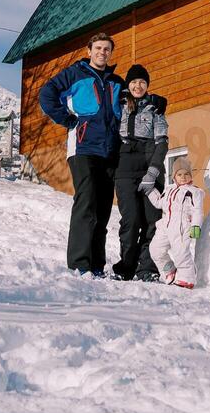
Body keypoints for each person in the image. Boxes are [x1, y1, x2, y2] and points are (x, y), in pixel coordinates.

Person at [38, 33, 123, 275]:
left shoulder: (116, 81)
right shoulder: (74, 74)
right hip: (83, 147)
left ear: (110, 52)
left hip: (110, 150)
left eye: (106, 49)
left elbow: (133, 101)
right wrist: (67, 119)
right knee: (86, 203)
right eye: (98, 48)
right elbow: (47, 94)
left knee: (104, 208)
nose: (102, 52)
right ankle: (79, 263)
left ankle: (97, 264)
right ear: (89, 51)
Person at [112, 64, 168, 281]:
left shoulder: (156, 110)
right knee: (131, 220)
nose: (138, 86)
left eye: (142, 82)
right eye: (134, 82)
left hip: (149, 166)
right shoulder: (119, 106)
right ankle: (126, 266)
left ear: (147, 86)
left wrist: (153, 173)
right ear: (128, 84)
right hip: (125, 168)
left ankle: (147, 269)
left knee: (152, 221)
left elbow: (162, 143)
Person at [145, 155, 204, 289]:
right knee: (155, 249)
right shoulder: (169, 189)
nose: (183, 177)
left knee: (181, 252)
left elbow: (198, 211)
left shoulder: (194, 192)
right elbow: (159, 203)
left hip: (182, 226)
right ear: (174, 176)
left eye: (186, 174)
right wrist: (150, 191)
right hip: (165, 225)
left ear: (191, 175)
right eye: (179, 174)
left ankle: (186, 278)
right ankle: (169, 270)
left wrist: (196, 226)